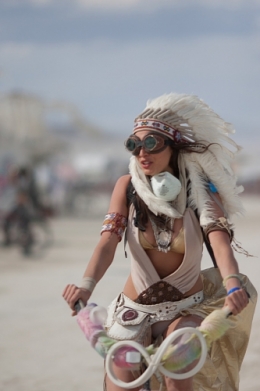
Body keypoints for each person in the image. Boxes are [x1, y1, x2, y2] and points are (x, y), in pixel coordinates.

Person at [62, 93, 257, 391]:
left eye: (151, 142)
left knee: (177, 367)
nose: (142, 152)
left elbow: (220, 243)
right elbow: (107, 242)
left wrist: (232, 282)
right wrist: (86, 286)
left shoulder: (199, 189)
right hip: (133, 308)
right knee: (120, 382)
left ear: (174, 146)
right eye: (134, 144)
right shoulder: (126, 187)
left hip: (185, 309)